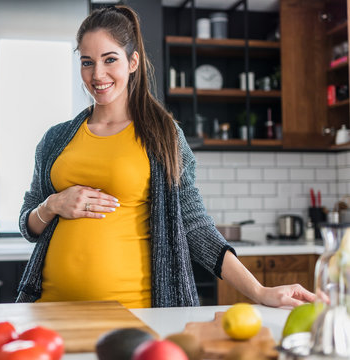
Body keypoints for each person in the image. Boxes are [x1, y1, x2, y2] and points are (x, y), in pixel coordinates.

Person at [17, 5, 315, 308]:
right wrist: (51, 204)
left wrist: (259, 291)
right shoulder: (55, 139)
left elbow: (195, 225)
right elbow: (28, 225)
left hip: (136, 313)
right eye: (87, 62)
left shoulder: (163, 135)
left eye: (110, 59)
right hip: (50, 308)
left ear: (133, 62)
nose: (97, 74)